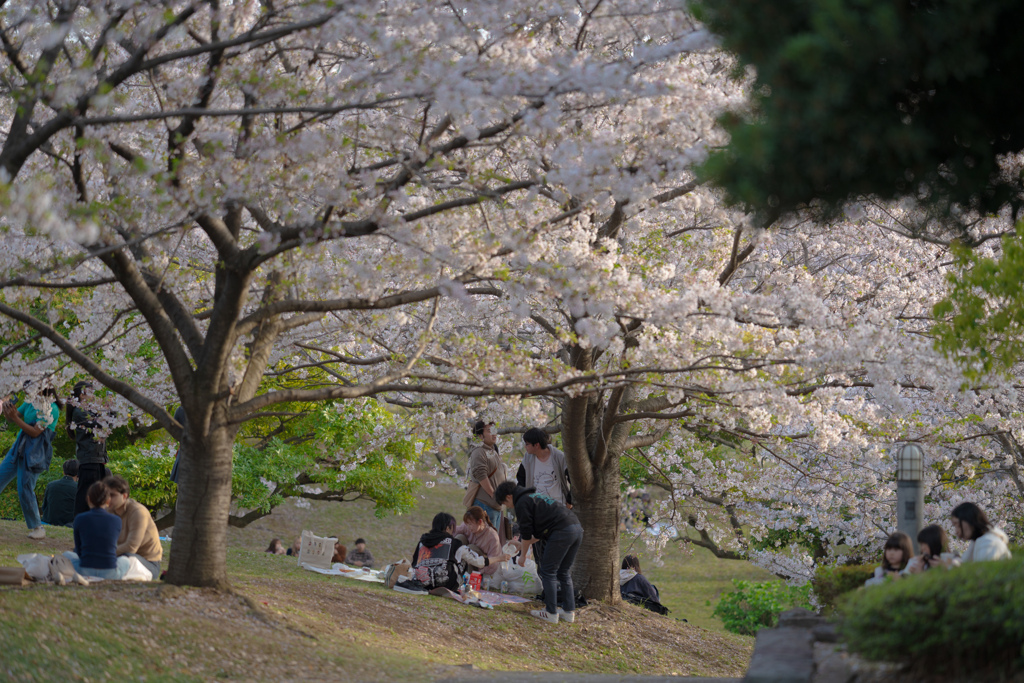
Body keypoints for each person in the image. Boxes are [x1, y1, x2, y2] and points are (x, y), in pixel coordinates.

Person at [495, 481, 583, 625]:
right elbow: (539, 533)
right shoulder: (533, 497)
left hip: (562, 531)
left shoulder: (521, 503)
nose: (507, 506)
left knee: (548, 571)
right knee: (563, 571)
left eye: (505, 502)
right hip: (576, 528)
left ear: (509, 496)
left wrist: (522, 555)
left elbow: (526, 532)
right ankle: (568, 612)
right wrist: (521, 544)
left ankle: (551, 612)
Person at [0, 383, 62, 539]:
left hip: (36, 451)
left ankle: (37, 527)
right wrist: (9, 409)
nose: (27, 391)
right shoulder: (29, 401)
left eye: (31, 387)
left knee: (25, 488)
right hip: (19, 446)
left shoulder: (52, 409)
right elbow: (12, 418)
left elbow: (35, 432)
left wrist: (14, 417)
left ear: (42, 387)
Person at [408, 512, 510, 592]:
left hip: (422, 582)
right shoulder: (454, 544)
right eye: (452, 528)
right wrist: (499, 558)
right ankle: (466, 582)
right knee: (463, 556)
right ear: (448, 528)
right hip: (447, 584)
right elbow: (478, 562)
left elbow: (414, 563)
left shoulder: (423, 541)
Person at [64, 480, 130, 580]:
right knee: (126, 560)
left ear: (88, 499)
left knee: (66, 555)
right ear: (108, 501)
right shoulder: (116, 520)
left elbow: (79, 550)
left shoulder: (79, 518)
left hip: (84, 570)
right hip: (110, 572)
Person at [66, 380, 111, 518]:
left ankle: (92, 521)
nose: (93, 395)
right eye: (90, 392)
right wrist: (110, 408)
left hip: (96, 457)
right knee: (86, 493)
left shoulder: (89, 411)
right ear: (81, 395)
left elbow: (106, 425)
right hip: (89, 458)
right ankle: (80, 522)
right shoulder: (80, 412)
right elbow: (102, 424)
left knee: (96, 493)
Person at [105, 475, 162, 580]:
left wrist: (104, 553)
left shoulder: (138, 512)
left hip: (147, 563)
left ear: (125, 496)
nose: (108, 499)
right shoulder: (109, 511)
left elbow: (131, 547)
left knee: (125, 557)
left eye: (112, 495)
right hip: (119, 557)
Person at [463, 420, 507, 532]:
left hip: (494, 505)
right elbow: (480, 474)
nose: (493, 433)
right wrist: (493, 494)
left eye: (494, 430)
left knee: (493, 541)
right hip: (485, 504)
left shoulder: (491, 450)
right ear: (480, 435)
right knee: (486, 541)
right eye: (489, 431)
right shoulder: (479, 451)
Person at [516, 428, 571, 507]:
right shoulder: (528, 458)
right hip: (537, 507)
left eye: (527, 444)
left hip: (558, 506)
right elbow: (521, 480)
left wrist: (570, 500)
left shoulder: (559, 457)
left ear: (536, 445)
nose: (525, 447)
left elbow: (573, 480)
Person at [454, 506, 502, 578]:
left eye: (470, 524)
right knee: (459, 538)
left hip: (481, 566)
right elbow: (455, 531)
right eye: (467, 523)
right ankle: (455, 570)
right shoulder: (467, 526)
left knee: (471, 549)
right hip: (467, 559)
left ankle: (468, 577)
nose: (468, 526)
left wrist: (480, 572)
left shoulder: (492, 536)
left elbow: (494, 562)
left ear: (480, 522)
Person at [41, 459, 80, 527]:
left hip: (49, 521)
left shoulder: (50, 485)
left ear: (64, 472)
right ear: (78, 474)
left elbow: (44, 506)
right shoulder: (78, 488)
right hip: (69, 523)